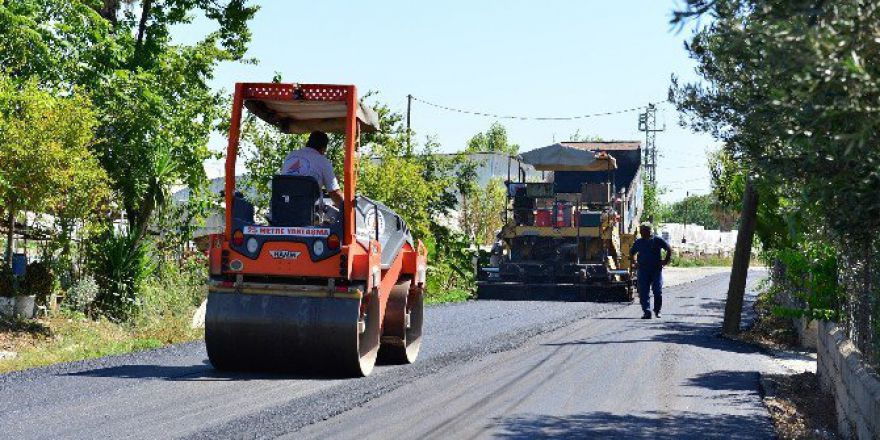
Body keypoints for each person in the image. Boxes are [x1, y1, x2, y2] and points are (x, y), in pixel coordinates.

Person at [279, 131, 344, 207]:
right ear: (323, 148)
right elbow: (334, 193)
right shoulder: (323, 161)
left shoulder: (291, 155)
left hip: (283, 209)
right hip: (306, 214)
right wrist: (346, 210)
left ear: (308, 143)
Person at [629, 223, 672, 319]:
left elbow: (668, 249)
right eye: (641, 230)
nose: (641, 232)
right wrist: (635, 262)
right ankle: (646, 311)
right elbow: (631, 253)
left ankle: (657, 310)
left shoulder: (657, 240)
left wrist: (665, 261)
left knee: (657, 291)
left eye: (643, 230)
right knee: (643, 291)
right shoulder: (639, 242)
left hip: (656, 270)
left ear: (649, 231)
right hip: (643, 270)